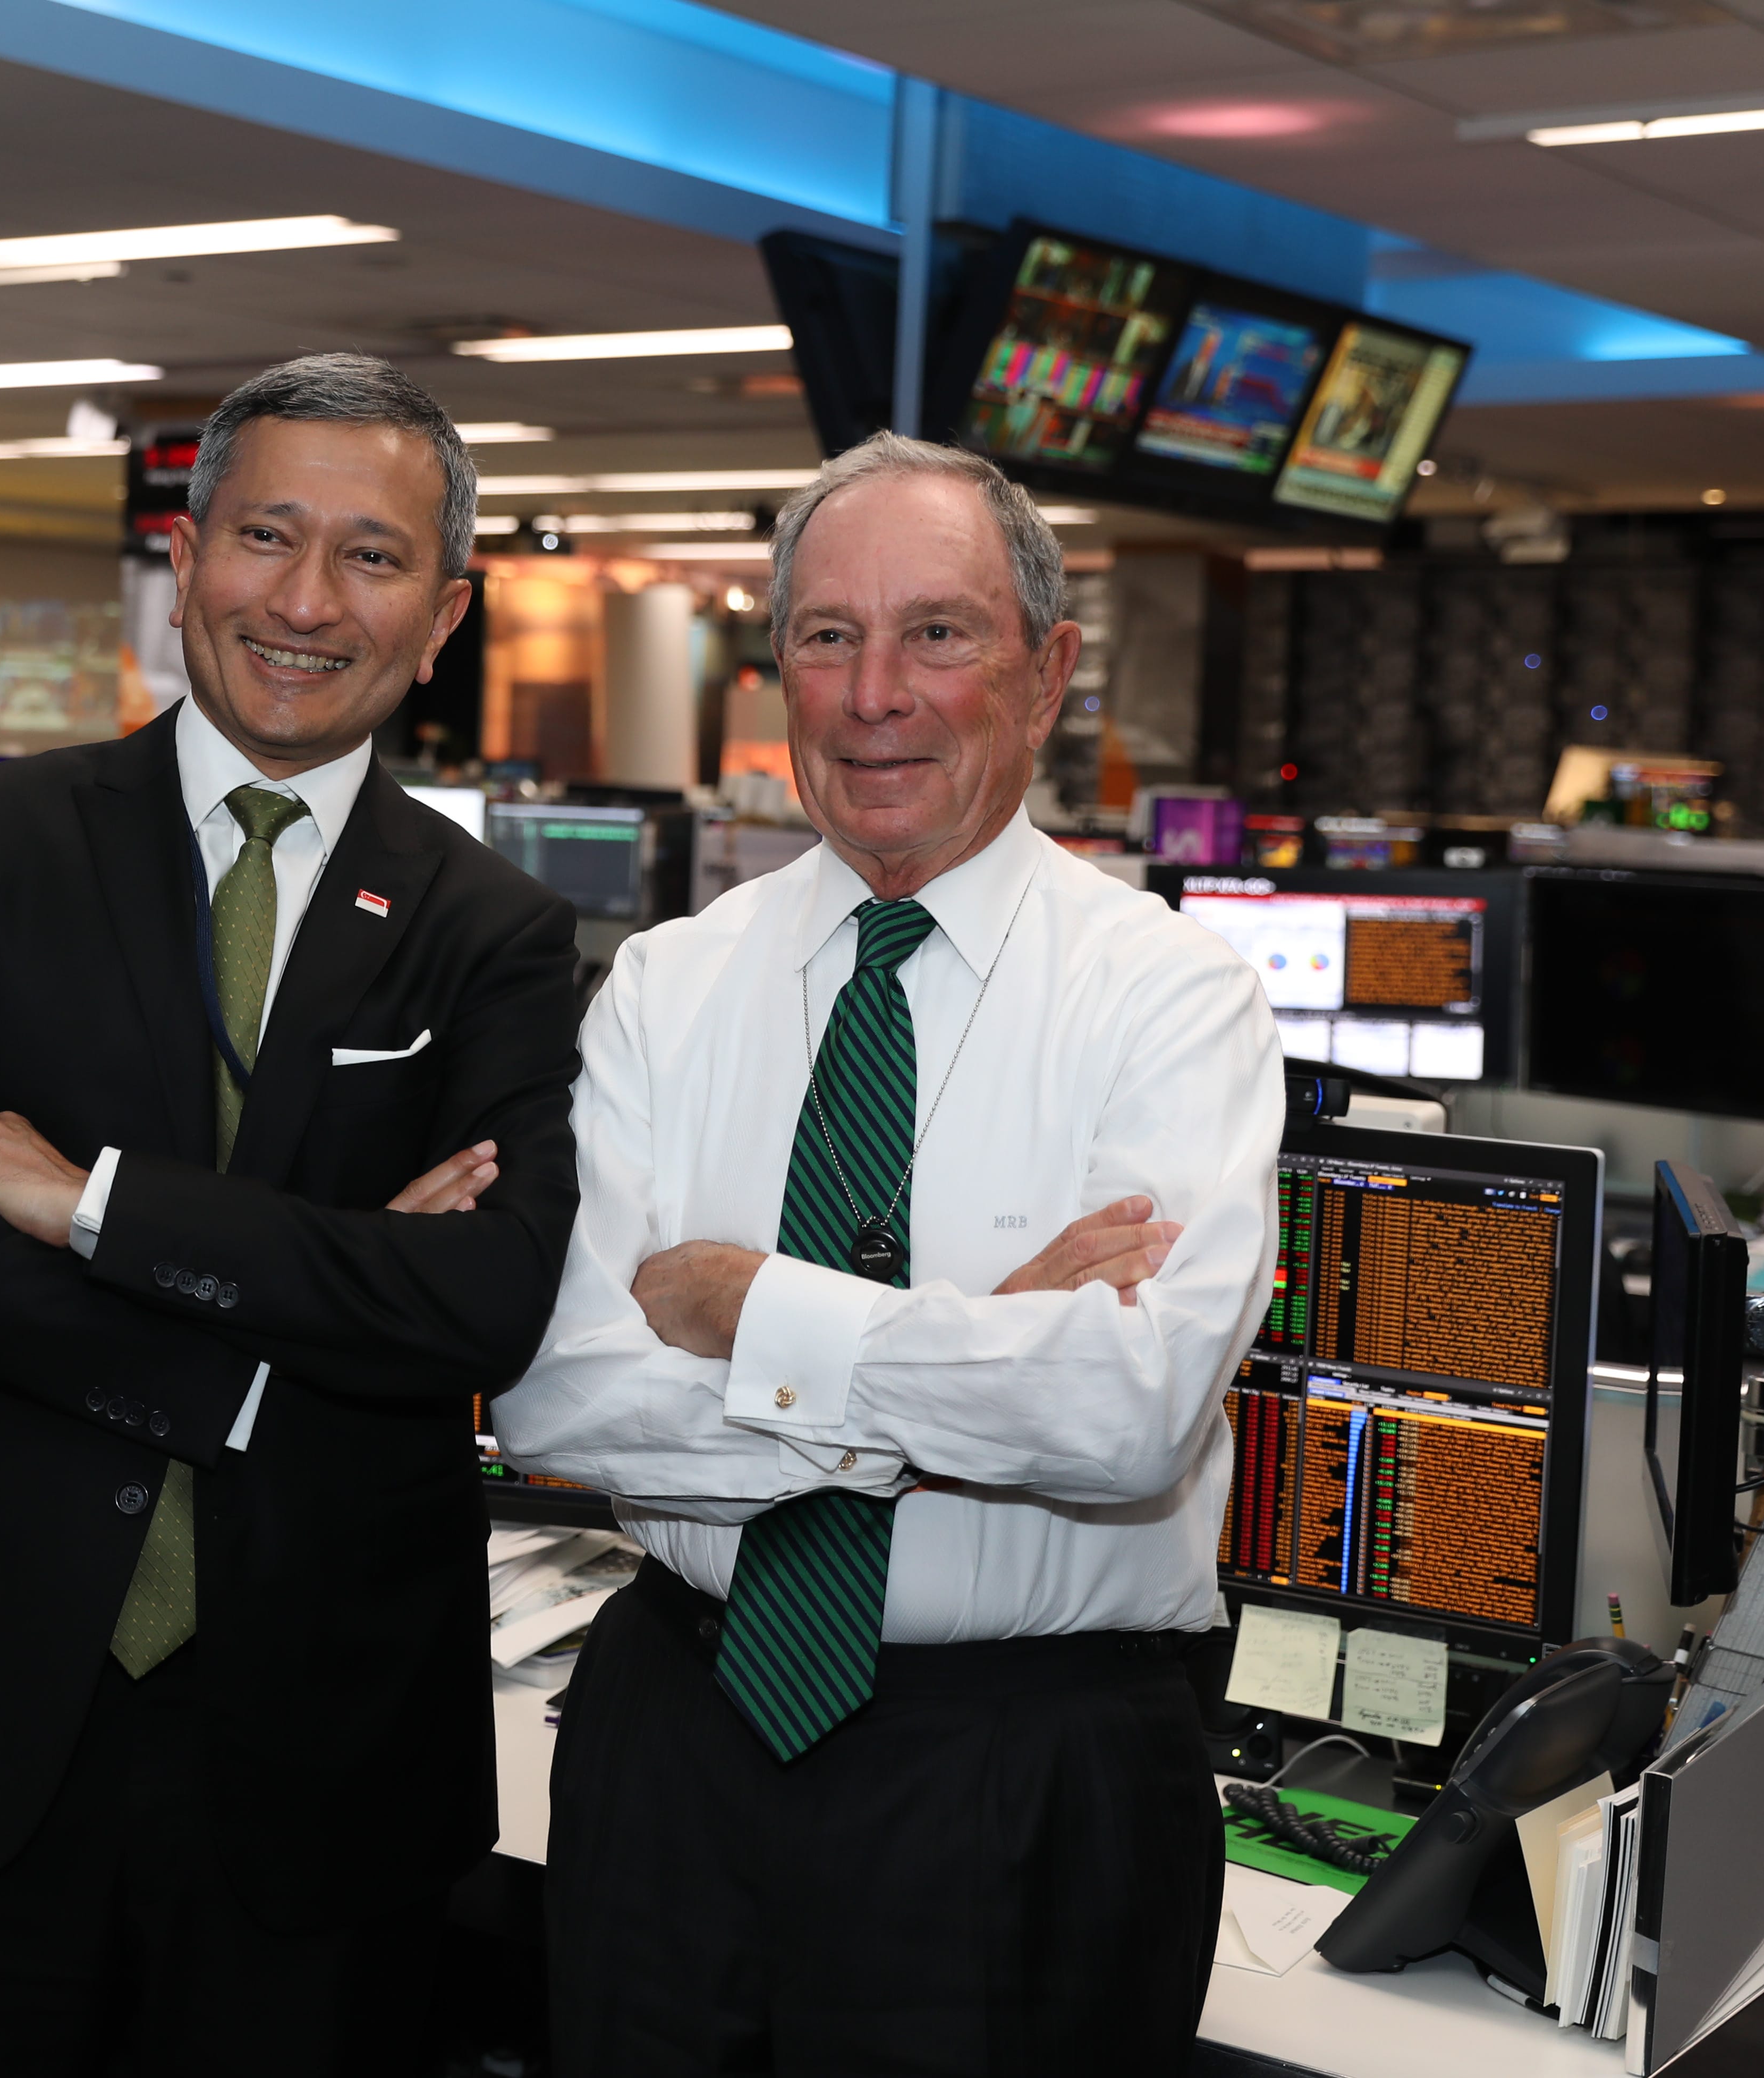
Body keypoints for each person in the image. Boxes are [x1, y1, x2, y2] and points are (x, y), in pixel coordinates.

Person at [0, 354, 585, 2076]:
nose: (301, 599)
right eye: (265, 536)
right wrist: (274, 1349)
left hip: (318, 1742)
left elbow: (485, 1300)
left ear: (443, 616)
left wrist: (80, 1205)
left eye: (370, 556)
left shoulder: (491, 928)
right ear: (186, 560)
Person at [491, 429, 1282, 2074]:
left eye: (938, 632)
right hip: (673, 1737)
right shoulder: (661, 986)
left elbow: (1122, 1417)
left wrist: (745, 1307)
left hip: (1026, 1765)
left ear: (1046, 669)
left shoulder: (1170, 996)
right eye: (827, 638)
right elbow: (560, 1401)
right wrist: (966, 1351)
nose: (875, 694)